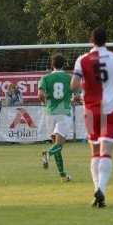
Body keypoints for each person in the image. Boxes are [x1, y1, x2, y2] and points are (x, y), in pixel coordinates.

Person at [71, 27, 113, 208]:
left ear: (91, 41)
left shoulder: (82, 60)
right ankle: (102, 190)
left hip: (91, 111)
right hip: (111, 109)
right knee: (106, 152)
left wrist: (84, 84)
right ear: (106, 41)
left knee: (95, 152)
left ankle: (97, 188)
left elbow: (73, 86)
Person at [39, 54, 72, 182]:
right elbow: (77, 91)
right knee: (59, 145)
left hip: (50, 113)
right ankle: (47, 154)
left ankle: (63, 175)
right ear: (64, 64)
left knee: (57, 145)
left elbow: (40, 95)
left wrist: (45, 103)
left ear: (52, 65)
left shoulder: (45, 78)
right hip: (63, 112)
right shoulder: (69, 77)